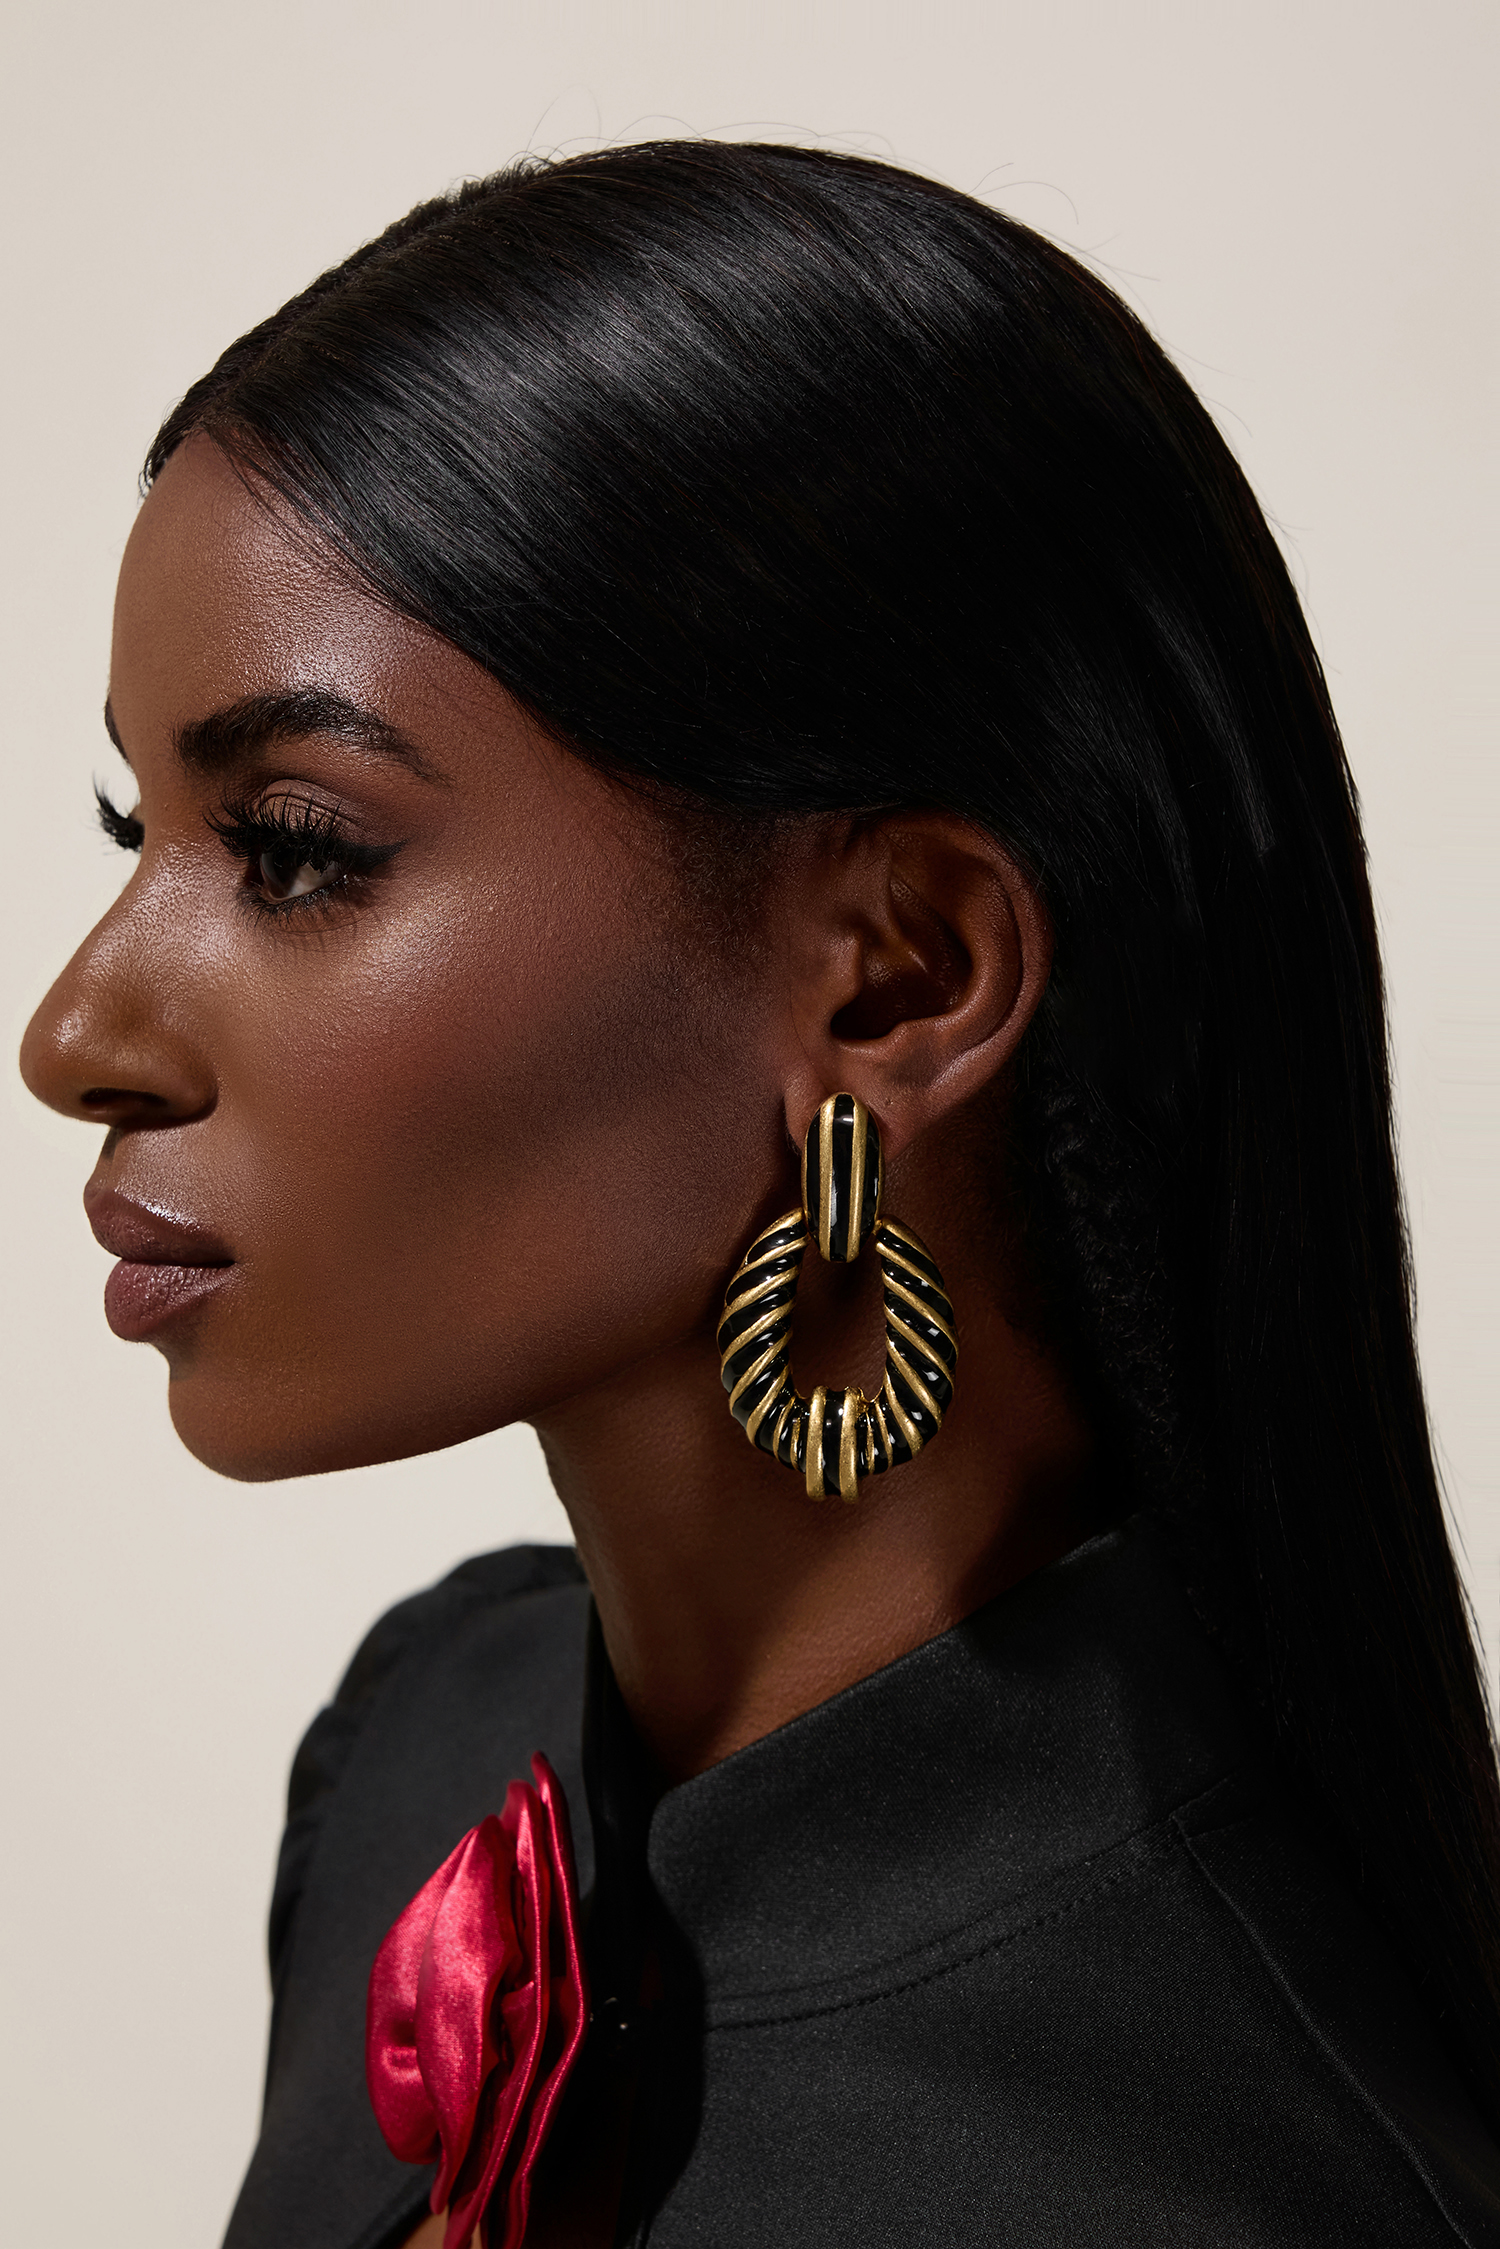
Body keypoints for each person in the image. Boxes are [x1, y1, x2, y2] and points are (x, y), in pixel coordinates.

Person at [20, 141, 1500, 2248]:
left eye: (295, 848)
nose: (74, 1034)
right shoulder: (433, 1742)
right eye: (135, 828)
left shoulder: (1178, 2188)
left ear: (900, 974)